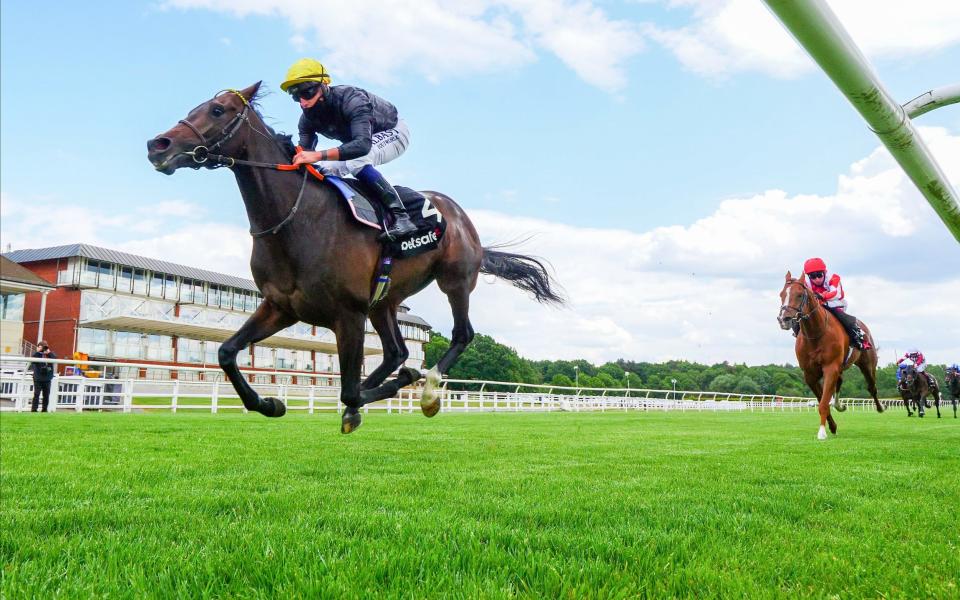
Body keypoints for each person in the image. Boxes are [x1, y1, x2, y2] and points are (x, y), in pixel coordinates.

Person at [281, 58, 417, 241]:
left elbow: (362, 146)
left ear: (324, 84)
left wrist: (318, 155)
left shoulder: (352, 99)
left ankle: (402, 217)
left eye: (307, 92)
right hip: (358, 143)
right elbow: (304, 155)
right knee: (325, 172)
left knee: (356, 161)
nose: (303, 102)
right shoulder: (306, 119)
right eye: (296, 96)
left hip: (393, 131)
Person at [800, 257, 871, 350]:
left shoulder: (834, 278)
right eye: (813, 276)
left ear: (824, 272)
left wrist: (822, 296)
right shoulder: (806, 283)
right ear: (808, 276)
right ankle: (798, 335)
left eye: (819, 275)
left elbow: (835, 293)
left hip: (835, 302)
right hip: (818, 305)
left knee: (844, 318)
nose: (817, 279)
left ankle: (859, 339)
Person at [29, 340, 57, 412]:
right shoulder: (37, 354)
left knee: (46, 395)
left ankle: (44, 410)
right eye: (40, 347)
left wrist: (49, 352)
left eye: (43, 347)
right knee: (36, 394)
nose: (42, 349)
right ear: (37, 347)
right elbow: (33, 360)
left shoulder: (50, 354)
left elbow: (55, 358)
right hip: (38, 378)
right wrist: (39, 352)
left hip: (47, 378)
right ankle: (34, 410)